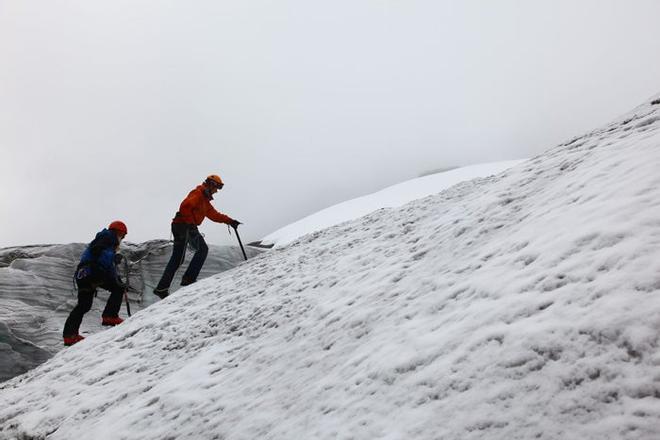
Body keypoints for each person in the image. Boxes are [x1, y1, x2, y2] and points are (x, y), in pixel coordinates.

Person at [153, 174, 240, 299]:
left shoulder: (205, 201)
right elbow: (185, 206)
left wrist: (230, 221)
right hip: (184, 226)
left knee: (178, 258)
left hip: (181, 225)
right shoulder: (198, 193)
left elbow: (215, 215)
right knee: (202, 249)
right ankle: (188, 279)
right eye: (217, 188)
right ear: (211, 184)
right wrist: (190, 223)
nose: (217, 191)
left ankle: (162, 288)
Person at [62, 221, 128, 346]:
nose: (122, 239)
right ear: (119, 232)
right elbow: (99, 252)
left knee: (84, 305)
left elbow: (100, 255)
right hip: (94, 271)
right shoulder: (108, 236)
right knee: (118, 287)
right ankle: (110, 316)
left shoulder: (104, 239)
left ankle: (70, 335)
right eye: (123, 236)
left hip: (83, 274)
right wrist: (113, 257)